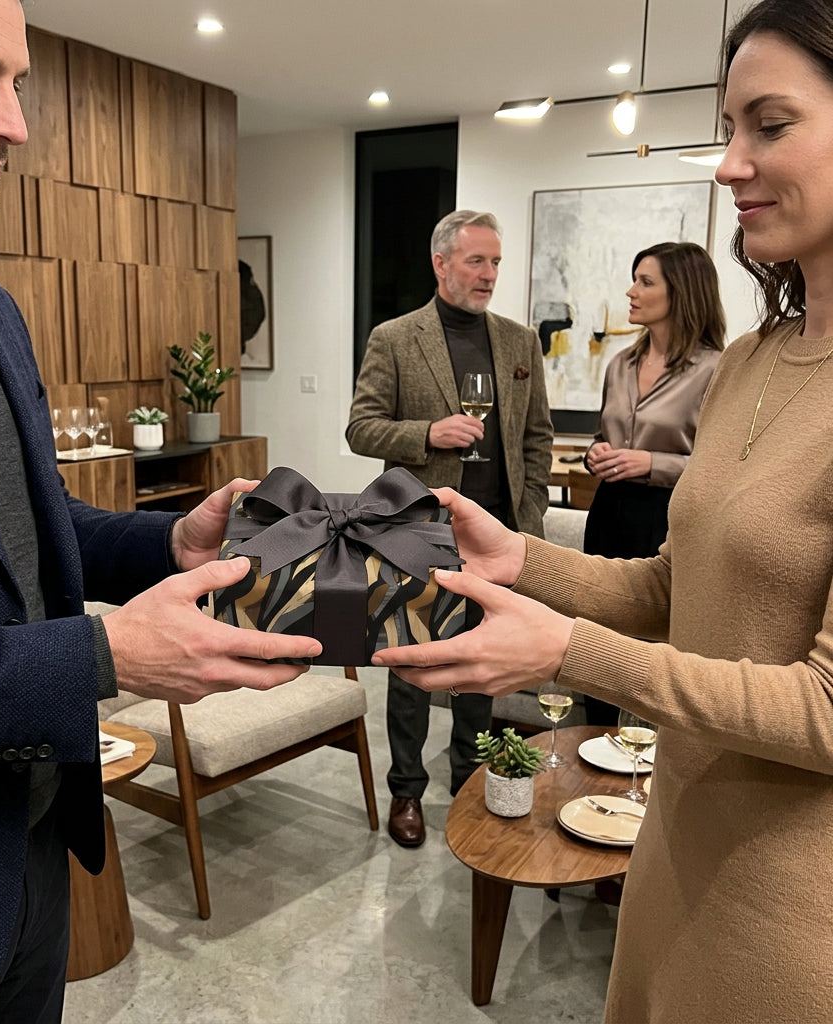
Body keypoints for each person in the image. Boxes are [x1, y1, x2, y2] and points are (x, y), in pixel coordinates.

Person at [0, 3, 321, 1023]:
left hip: (35, 869)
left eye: (19, 82)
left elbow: (23, 541)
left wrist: (168, 540)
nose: (16, 124)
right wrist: (105, 657)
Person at [374, 1, 833, 1018]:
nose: (726, 165)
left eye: (769, 124)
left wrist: (565, 650)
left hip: (792, 914)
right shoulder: (755, 360)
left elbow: (824, 708)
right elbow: (678, 585)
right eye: (726, 129)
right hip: (675, 842)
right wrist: (521, 559)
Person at [346, 210, 552, 847]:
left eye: (495, 262)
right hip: (417, 528)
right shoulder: (396, 338)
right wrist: (427, 433)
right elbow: (361, 428)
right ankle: (406, 790)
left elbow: (536, 438)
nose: (489, 274)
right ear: (441, 264)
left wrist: (533, 515)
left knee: (479, 667)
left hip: (496, 534)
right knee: (412, 664)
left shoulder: (520, 344)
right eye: (476, 261)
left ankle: (471, 778)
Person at [581, 241, 725, 725]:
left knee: (650, 645)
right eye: (634, 278)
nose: (631, 291)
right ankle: (593, 754)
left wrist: (651, 463)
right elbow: (603, 437)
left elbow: (722, 467)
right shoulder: (619, 363)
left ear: (680, 292)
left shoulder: (715, 370)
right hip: (609, 512)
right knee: (595, 633)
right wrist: (594, 453)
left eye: (646, 281)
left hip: (668, 519)